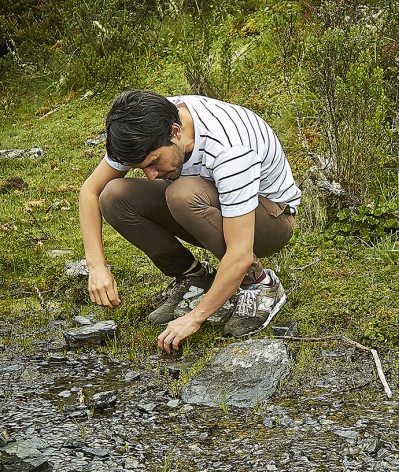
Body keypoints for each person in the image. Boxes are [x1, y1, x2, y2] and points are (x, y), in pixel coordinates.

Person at [79, 90, 300, 353]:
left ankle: (260, 284)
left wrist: (195, 318)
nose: (151, 176)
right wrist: (96, 266)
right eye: (142, 168)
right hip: (211, 206)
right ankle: (193, 277)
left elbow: (239, 254)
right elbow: (89, 191)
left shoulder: (230, 148)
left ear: (175, 132)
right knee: (114, 196)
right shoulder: (141, 127)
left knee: (182, 194)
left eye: (154, 162)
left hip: (271, 218)